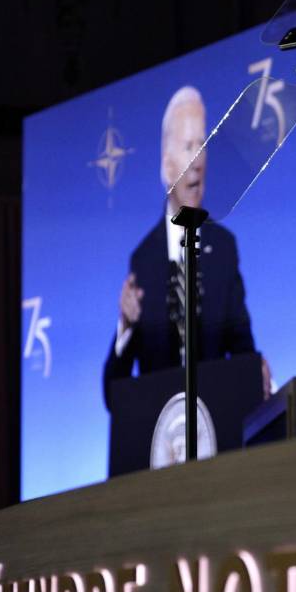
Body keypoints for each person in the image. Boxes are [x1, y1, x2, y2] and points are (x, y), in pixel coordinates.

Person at [102, 85, 270, 405]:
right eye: (188, 146)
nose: (197, 161)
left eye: (202, 145)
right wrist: (125, 327)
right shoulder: (143, 260)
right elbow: (114, 394)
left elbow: (243, 350)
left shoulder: (223, 249)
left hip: (216, 434)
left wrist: (256, 372)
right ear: (167, 167)